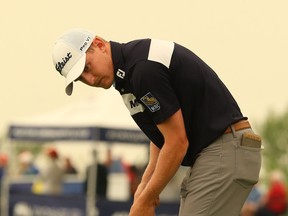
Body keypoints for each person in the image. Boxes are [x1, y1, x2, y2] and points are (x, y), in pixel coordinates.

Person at [52, 28, 262, 216]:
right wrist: (145, 186)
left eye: (87, 68)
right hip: (220, 152)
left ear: (99, 44)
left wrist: (145, 200)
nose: (90, 80)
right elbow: (162, 136)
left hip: (223, 150)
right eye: (80, 78)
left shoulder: (141, 69)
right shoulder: (128, 72)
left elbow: (177, 143)